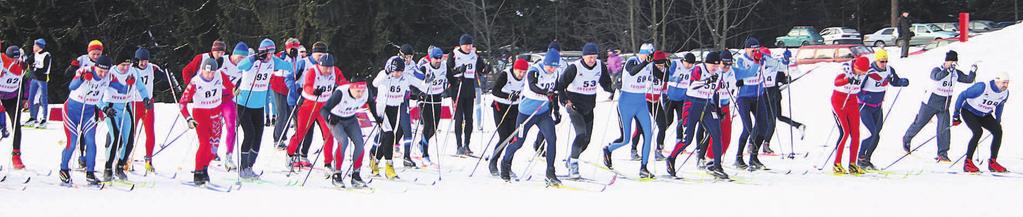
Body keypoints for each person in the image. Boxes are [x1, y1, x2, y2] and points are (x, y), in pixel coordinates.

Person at [60, 55, 126, 186]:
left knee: (91, 142)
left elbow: (122, 89)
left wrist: (129, 83)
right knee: (72, 143)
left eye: (105, 72)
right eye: (100, 71)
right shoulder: (85, 70)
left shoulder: (109, 77)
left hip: (89, 112)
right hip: (72, 110)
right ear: (95, 67)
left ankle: (90, 173)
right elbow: (72, 86)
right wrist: (83, 79)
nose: (102, 74)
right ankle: (63, 169)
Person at [499, 49, 561, 186]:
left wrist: (556, 109)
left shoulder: (555, 73)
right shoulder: (535, 70)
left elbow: (554, 92)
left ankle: (550, 172)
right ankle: (505, 164)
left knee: (551, 139)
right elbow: (533, 87)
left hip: (543, 113)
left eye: (555, 66)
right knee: (518, 142)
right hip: (526, 113)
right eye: (550, 66)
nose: (552, 69)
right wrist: (546, 93)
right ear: (545, 63)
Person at [602, 44, 665, 179]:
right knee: (625, 139)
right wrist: (646, 63)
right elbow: (632, 71)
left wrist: (663, 65)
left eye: (651, 56)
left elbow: (662, 76)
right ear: (642, 53)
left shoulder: (650, 63)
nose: (650, 58)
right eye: (648, 55)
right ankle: (608, 150)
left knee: (648, 134)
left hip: (641, 103)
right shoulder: (633, 61)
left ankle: (644, 167)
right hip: (626, 103)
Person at [665, 50, 730, 180]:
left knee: (717, 133)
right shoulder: (698, 69)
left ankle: (717, 166)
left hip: (707, 105)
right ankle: (671, 158)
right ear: (707, 63)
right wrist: (706, 81)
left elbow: (715, 92)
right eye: (713, 66)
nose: (715, 68)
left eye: (717, 66)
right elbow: (692, 86)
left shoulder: (718, 73)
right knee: (687, 139)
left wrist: (717, 109)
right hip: (692, 103)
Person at [234, 39, 293, 179]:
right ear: (262, 52)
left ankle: (250, 166)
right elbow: (240, 66)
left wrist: (292, 56)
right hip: (244, 105)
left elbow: (290, 67)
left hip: (258, 107)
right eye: (267, 53)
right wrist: (254, 57)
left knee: (258, 137)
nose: (270, 56)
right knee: (249, 134)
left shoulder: (273, 61)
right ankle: (242, 167)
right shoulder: (252, 61)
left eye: (272, 53)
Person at [902, 51, 975, 162]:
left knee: (944, 129)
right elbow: (937, 77)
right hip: (930, 102)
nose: (953, 65)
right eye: (951, 62)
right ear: (946, 61)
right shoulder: (937, 69)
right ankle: (907, 138)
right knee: (920, 123)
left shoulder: (955, 73)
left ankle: (942, 153)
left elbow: (968, 79)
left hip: (944, 105)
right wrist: (947, 70)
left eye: (955, 62)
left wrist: (972, 71)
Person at [556, 42, 614, 179]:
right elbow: (560, 86)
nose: (592, 60)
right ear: (583, 57)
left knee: (586, 141)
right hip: (574, 107)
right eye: (589, 57)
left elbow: (605, 84)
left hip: (589, 106)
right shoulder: (574, 68)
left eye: (594, 57)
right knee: (580, 134)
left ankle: (572, 158)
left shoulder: (600, 66)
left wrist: (614, 87)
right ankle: (574, 166)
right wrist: (565, 101)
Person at [178, 57, 233, 185]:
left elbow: (230, 86)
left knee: (214, 148)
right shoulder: (195, 82)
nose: (209, 75)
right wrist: (188, 119)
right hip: (200, 115)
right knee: (204, 143)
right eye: (207, 72)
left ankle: (204, 169)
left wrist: (236, 90)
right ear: (202, 70)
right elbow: (182, 103)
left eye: (212, 72)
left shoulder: (219, 75)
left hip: (215, 114)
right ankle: (197, 173)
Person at [98, 51, 151, 181]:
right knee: (116, 138)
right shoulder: (110, 74)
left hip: (126, 107)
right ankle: (108, 168)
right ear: (117, 64)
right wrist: (104, 108)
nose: (125, 68)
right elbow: (97, 95)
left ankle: (120, 167)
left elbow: (141, 88)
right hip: (112, 108)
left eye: (128, 65)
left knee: (129, 142)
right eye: (123, 65)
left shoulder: (133, 72)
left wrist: (146, 99)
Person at [286, 54, 344, 170]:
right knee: (301, 132)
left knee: (329, 134)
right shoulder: (313, 71)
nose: (328, 70)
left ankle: (328, 163)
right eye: (325, 68)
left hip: (325, 107)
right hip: (309, 105)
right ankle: (290, 154)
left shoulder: (335, 71)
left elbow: (342, 81)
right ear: (319, 65)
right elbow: (307, 86)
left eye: (330, 67)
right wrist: (314, 91)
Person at [857, 49, 909, 170]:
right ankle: (860, 158)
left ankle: (867, 159)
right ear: (876, 60)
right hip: (865, 107)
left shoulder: (889, 70)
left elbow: (894, 81)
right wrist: (864, 97)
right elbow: (857, 89)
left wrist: (902, 82)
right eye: (881, 61)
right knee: (872, 133)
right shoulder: (868, 71)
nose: (884, 64)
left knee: (877, 135)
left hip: (878, 106)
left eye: (886, 61)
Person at [953, 72, 1009, 173]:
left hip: (984, 114)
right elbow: (962, 95)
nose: (1005, 85)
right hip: (969, 111)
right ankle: (967, 162)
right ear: (997, 81)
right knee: (978, 132)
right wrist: (956, 115)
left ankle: (993, 162)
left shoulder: (1005, 93)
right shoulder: (982, 87)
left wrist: (997, 120)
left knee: (998, 131)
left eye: (1007, 83)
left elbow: (1000, 105)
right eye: (1003, 83)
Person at [733, 38, 772, 170]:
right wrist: (756, 62)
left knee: (764, 127)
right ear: (746, 49)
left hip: (758, 96)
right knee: (748, 128)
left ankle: (754, 157)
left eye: (756, 49)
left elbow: (775, 65)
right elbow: (746, 74)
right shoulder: (741, 60)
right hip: (744, 97)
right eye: (752, 49)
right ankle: (739, 157)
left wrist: (784, 60)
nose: (754, 51)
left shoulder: (761, 58)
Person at [322, 82, 370, 188]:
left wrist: (378, 118)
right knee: (343, 141)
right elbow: (323, 109)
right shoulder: (341, 92)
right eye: (358, 91)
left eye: (362, 91)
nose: (360, 94)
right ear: (351, 88)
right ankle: (337, 174)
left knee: (360, 143)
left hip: (350, 119)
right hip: (336, 120)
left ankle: (356, 175)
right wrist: (329, 117)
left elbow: (372, 103)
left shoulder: (366, 92)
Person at [446, 34, 488, 156]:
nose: (469, 47)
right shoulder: (454, 54)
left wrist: (486, 69)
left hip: (469, 89)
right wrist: (458, 70)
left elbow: (481, 69)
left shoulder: (474, 55)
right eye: (466, 45)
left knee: (469, 119)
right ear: (461, 45)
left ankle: (467, 145)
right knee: (459, 118)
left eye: (470, 45)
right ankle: (459, 145)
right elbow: (448, 71)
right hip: (457, 88)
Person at [371, 57, 411, 179]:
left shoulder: (404, 78)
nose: (398, 74)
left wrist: (427, 82)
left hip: (395, 108)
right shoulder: (385, 75)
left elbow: (419, 84)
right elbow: (375, 83)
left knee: (386, 138)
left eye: (400, 71)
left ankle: (375, 160)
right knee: (389, 135)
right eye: (395, 71)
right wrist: (386, 73)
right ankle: (389, 165)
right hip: (383, 108)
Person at [67, 40, 104, 169]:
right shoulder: (82, 59)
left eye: (98, 54)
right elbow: (69, 76)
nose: (96, 56)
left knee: (87, 132)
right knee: (76, 133)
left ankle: (85, 160)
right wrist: (73, 67)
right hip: (79, 99)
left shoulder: (103, 64)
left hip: (94, 102)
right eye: (93, 54)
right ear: (89, 52)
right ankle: (80, 155)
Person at [759, 47, 805, 152]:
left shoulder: (774, 66)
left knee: (773, 119)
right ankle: (754, 143)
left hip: (774, 97)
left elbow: (782, 78)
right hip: (764, 96)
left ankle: (765, 143)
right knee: (765, 120)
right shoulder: (758, 68)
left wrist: (787, 79)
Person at [831, 56, 869, 175]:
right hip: (839, 101)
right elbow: (837, 82)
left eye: (864, 72)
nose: (862, 74)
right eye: (860, 71)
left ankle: (852, 164)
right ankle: (837, 164)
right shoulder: (845, 68)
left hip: (852, 101)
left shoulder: (864, 72)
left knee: (856, 134)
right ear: (855, 67)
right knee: (845, 132)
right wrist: (847, 80)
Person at [487, 58, 525, 176]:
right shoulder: (506, 75)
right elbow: (495, 91)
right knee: (504, 137)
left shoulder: (526, 77)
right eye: (519, 71)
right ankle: (493, 162)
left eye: (524, 72)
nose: (521, 74)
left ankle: (507, 165)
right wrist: (508, 96)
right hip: (500, 108)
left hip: (515, 109)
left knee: (513, 139)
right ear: (514, 69)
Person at [412, 46, 449, 167]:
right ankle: (425, 156)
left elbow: (452, 79)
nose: (438, 60)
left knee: (434, 128)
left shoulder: (444, 66)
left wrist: (458, 76)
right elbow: (414, 85)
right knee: (427, 126)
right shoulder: (424, 68)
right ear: (431, 58)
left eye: (440, 58)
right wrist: (422, 90)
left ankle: (421, 145)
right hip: (425, 98)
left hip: (437, 98)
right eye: (436, 58)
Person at [215, 42, 249, 171]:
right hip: (215, 98)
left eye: (244, 58)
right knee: (215, 126)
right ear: (233, 54)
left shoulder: (244, 67)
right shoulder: (222, 61)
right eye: (239, 57)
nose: (241, 61)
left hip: (229, 99)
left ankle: (228, 157)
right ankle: (212, 151)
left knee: (231, 126)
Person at [130, 47, 162, 172]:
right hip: (133, 103)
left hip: (148, 104)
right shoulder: (131, 69)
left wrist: (163, 69)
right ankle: (127, 158)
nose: (143, 63)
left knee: (150, 132)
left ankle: (149, 159)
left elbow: (163, 78)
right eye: (140, 61)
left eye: (145, 61)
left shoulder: (151, 68)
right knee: (130, 133)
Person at [271, 38, 301, 151]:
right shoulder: (280, 56)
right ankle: (277, 139)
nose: (293, 50)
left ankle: (283, 137)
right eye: (291, 48)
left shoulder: (299, 57)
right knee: (282, 113)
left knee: (289, 114)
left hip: (291, 88)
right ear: (286, 48)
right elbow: (273, 70)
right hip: (279, 86)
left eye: (295, 48)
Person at [664, 53, 696, 152]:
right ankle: (660, 142)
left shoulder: (694, 69)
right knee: (667, 121)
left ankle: (679, 144)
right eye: (687, 63)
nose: (689, 66)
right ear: (684, 60)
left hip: (683, 99)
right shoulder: (676, 64)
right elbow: (666, 76)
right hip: (670, 97)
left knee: (681, 121)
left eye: (691, 64)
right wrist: (673, 78)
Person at [1, 46, 26, 169]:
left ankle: (16, 155)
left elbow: (24, 81)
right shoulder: (3, 64)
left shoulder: (21, 65)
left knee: (16, 124)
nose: (15, 61)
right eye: (12, 59)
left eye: (16, 58)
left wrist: (25, 98)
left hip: (12, 97)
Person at [26, 38, 51, 129]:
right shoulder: (35, 54)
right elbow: (29, 62)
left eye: (35, 45)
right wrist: (24, 57)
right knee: (31, 98)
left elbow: (45, 69)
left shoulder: (46, 55)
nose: (33, 47)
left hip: (42, 79)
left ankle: (44, 118)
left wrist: (34, 69)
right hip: (34, 79)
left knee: (43, 99)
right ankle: (32, 117)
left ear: (39, 46)